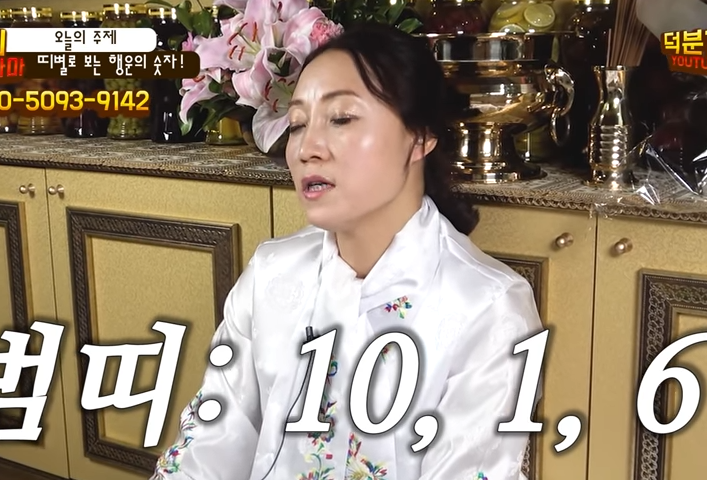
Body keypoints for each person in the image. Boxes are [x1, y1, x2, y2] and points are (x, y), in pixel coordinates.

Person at [151, 23, 543, 480]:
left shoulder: (488, 309)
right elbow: (212, 439)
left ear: (420, 136)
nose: (307, 149)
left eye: (341, 118)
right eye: (297, 125)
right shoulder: (272, 273)